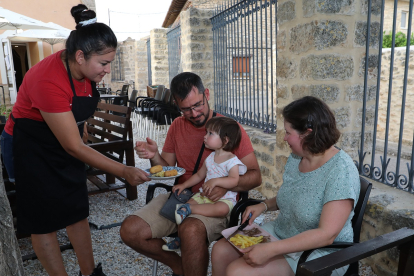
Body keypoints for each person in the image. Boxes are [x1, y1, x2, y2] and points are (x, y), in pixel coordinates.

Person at [0, 5, 149, 276]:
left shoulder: (85, 71)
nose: (107, 70)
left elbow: (74, 123)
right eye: (103, 63)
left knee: (76, 208)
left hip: (64, 140)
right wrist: (124, 170)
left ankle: (89, 273)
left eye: (110, 63)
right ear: (80, 56)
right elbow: (73, 146)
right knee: (42, 220)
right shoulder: (48, 79)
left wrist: (81, 133)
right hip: (29, 146)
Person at [120, 72, 262, 276]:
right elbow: (168, 168)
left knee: (190, 229)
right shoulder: (177, 125)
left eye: (198, 105)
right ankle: (180, 267)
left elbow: (255, 176)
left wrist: (225, 185)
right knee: (130, 231)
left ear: (207, 94)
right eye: (186, 109)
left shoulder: (229, 128)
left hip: (218, 205)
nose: (194, 114)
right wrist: (154, 155)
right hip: (185, 197)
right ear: (177, 105)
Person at [211, 96, 360, 276]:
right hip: (283, 233)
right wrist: (264, 205)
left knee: (238, 272)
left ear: (307, 133)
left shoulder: (340, 171)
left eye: (288, 132)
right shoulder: (298, 157)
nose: (284, 138)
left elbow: (326, 235)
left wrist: (271, 250)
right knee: (220, 251)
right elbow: (292, 195)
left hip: (319, 253)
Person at [162, 116, 247, 252]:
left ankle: (190, 210)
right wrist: (183, 185)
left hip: (224, 200)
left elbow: (234, 180)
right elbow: (199, 175)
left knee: (222, 210)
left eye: (210, 134)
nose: (205, 136)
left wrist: (216, 181)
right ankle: (179, 238)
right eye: (206, 132)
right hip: (204, 196)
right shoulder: (211, 157)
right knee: (186, 206)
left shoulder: (232, 161)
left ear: (225, 140)